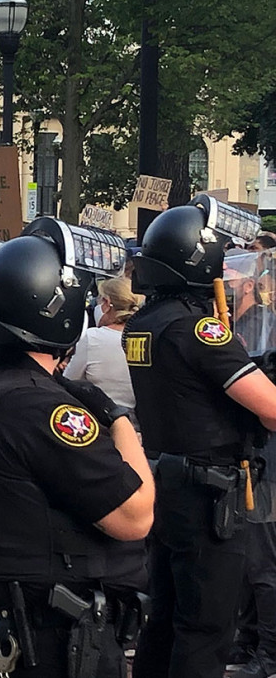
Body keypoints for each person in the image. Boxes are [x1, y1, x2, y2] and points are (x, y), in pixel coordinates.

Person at [0, 228, 154, 677]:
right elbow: (135, 515)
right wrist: (116, 416)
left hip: (10, 619)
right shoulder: (41, 407)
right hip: (53, 632)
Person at [128, 203, 276, 678]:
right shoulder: (199, 328)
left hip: (166, 479)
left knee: (166, 617)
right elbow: (270, 408)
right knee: (207, 625)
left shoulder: (143, 324)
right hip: (208, 490)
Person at [63, 276, 140, 415]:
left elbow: (70, 382)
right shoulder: (145, 337)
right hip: (139, 423)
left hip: (101, 419)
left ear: (107, 303)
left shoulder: (92, 337)